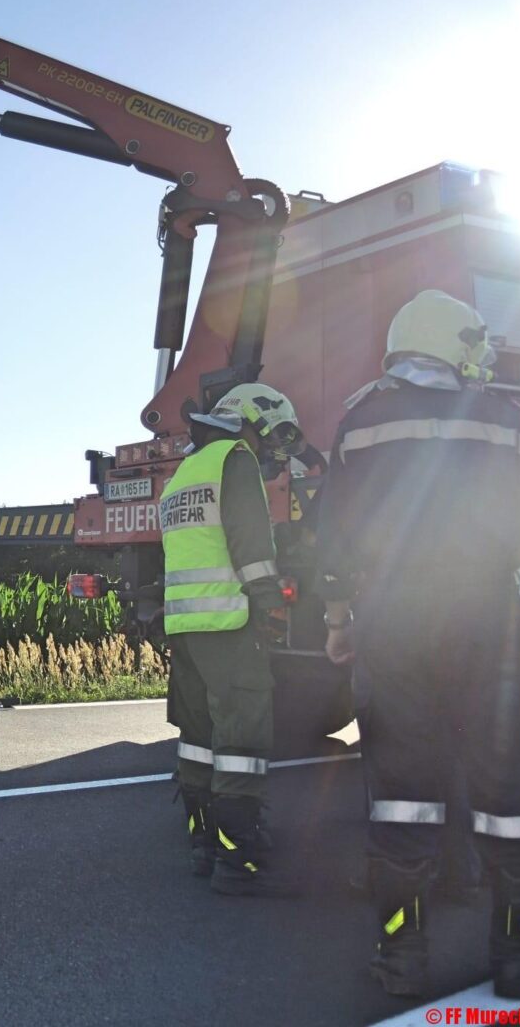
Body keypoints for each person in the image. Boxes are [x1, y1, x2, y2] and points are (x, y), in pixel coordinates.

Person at [318, 289, 520, 998]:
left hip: (396, 618)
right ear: (453, 344)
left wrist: (341, 619)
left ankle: (401, 959)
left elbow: (334, 542)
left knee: (404, 796)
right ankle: (517, 957)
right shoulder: (509, 421)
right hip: (491, 624)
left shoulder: (359, 424)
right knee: (510, 797)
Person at [160, 381, 305, 896]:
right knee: (241, 738)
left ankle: (202, 840)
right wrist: (270, 606)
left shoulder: (186, 468)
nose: (270, 451)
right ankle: (237, 854)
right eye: (271, 438)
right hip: (230, 623)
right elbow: (250, 543)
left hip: (186, 625)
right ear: (254, 420)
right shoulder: (235, 459)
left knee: (197, 738)